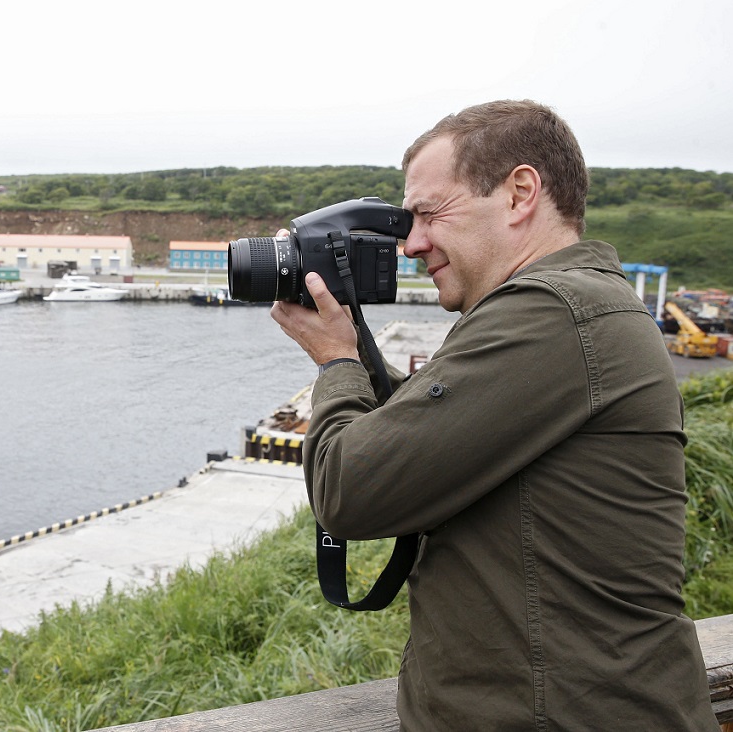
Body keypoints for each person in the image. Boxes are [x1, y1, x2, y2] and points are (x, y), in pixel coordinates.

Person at [270, 100, 717, 730]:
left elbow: (351, 488)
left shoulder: (553, 313)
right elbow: (430, 432)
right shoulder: (574, 307)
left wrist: (336, 361)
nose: (411, 243)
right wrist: (357, 348)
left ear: (520, 193)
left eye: (429, 214)